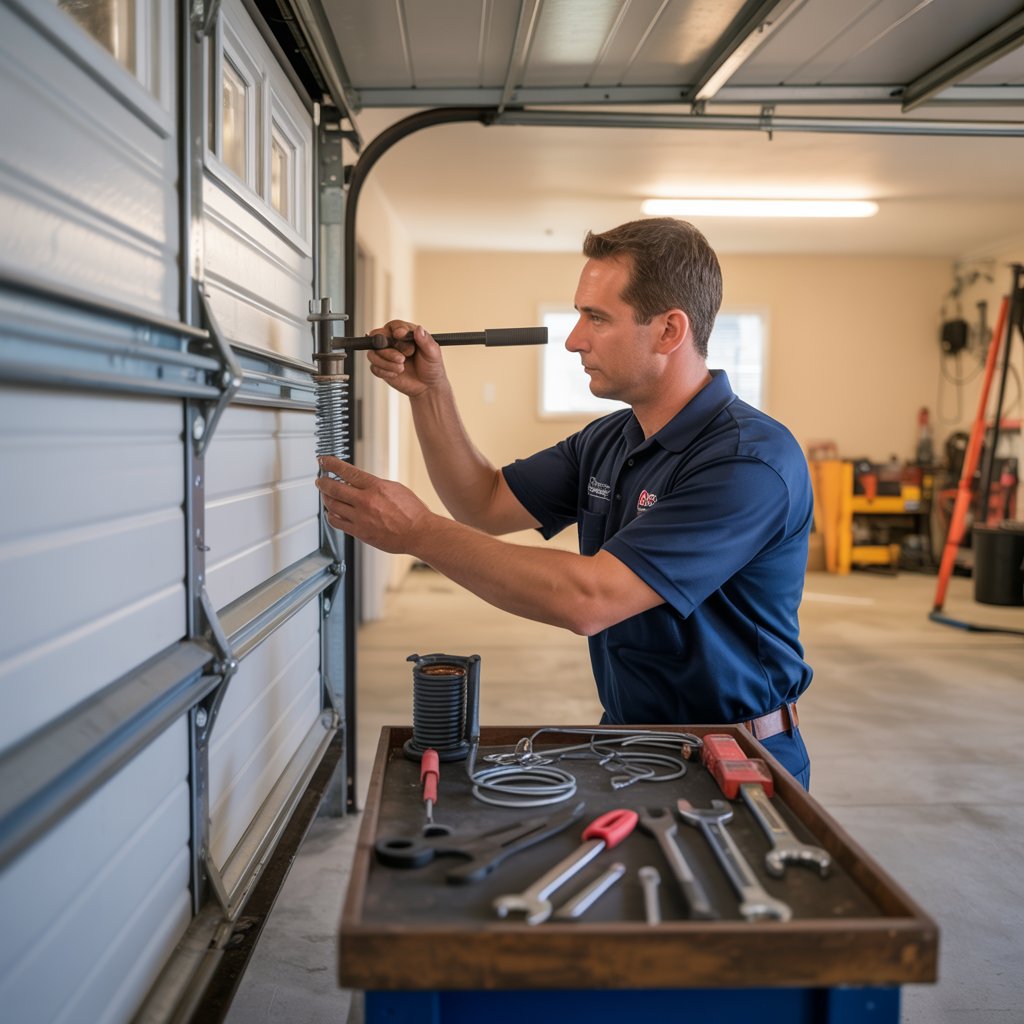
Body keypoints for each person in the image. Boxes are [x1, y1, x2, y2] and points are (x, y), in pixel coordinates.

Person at [317, 218, 814, 787]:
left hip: (735, 755)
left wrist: (418, 534)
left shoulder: (748, 462)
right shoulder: (610, 439)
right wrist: (431, 392)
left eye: (596, 318)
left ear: (669, 330)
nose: (575, 339)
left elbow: (593, 598)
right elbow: (483, 501)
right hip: (629, 739)